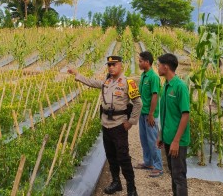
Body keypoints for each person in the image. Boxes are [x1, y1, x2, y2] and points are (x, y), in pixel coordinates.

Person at [68, 56, 142, 196]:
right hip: (106, 125)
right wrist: (77, 74)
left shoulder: (128, 83)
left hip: (119, 125)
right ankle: (116, 182)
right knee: (111, 155)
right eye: (109, 65)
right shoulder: (106, 81)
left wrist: (131, 121)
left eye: (114, 65)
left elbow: (138, 103)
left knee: (123, 157)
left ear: (121, 66)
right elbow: (92, 82)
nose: (111, 67)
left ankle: (131, 188)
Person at [157, 54, 190, 196]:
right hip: (168, 138)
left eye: (158, 65)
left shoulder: (180, 87)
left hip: (178, 141)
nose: (157, 67)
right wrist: (161, 135)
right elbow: (166, 114)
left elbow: (185, 114)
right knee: (173, 174)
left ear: (166, 66)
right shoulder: (166, 86)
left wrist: (176, 141)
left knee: (179, 176)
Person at [135, 51, 163, 177]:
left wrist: (151, 114)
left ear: (147, 62)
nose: (139, 63)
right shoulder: (143, 75)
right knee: (144, 139)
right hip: (142, 113)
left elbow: (155, 96)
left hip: (150, 115)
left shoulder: (153, 77)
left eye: (140, 61)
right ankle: (148, 163)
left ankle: (158, 167)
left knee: (153, 141)